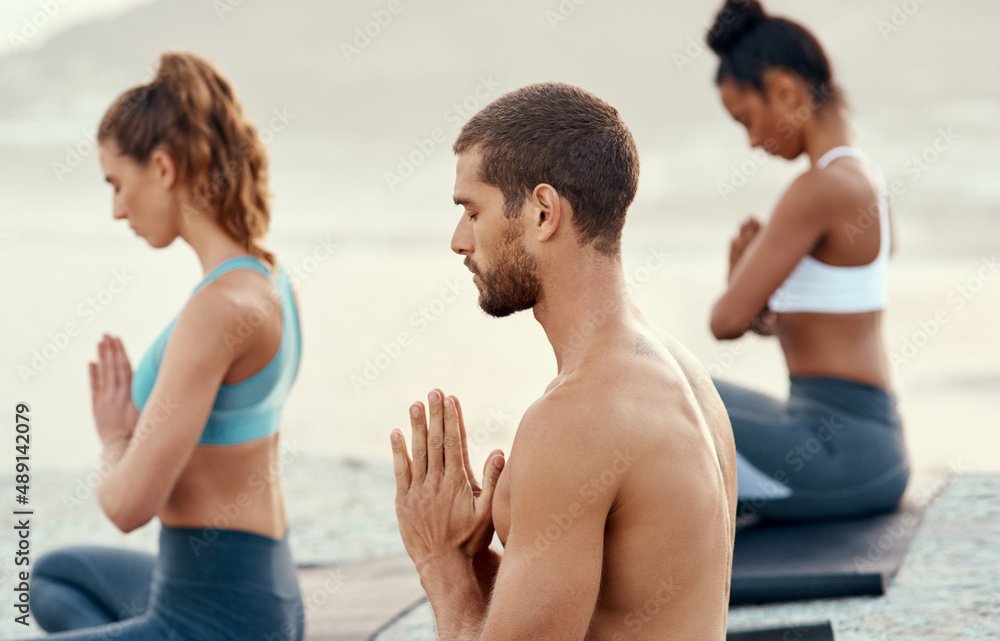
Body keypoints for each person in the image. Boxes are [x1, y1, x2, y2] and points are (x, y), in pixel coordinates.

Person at [390, 82, 737, 640]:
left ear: (543, 212)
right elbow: (601, 611)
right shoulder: (682, 372)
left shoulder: (576, 418)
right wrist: (474, 559)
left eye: (471, 211)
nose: (458, 241)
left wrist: (439, 562)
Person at [26, 52, 305, 640]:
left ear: (162, 168)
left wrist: (115, 437)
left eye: (117, 184)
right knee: (51, 578)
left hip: (218, 619)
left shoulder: (216, 310)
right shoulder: (268, 278)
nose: (116, 208)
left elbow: (127, 508)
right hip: (252, 592)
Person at [705, 0, 909, 522]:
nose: (752, 140)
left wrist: (739, 286)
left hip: (845, 453)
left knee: (660, 393)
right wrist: (748, 285)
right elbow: (816, 322)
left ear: (785, 91)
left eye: (747, 120)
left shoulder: (818, 189)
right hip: (852, 438)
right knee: (675, 382)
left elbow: (724, 322)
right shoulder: (863, 175)